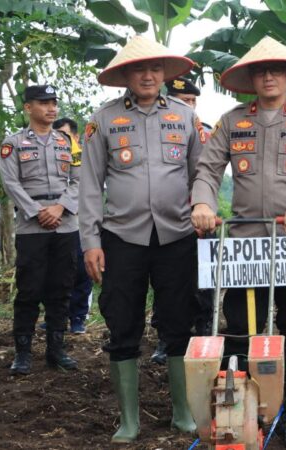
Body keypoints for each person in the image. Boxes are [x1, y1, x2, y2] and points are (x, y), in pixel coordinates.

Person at [190, 36, 286, 449]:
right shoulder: (232, 121)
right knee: (240, 325)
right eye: (260, 70)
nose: (268, 76)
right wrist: (203, 203)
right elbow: (206, 169)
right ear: (251, 78)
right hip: (244, 241)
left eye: (276, 70)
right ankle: (241, 402)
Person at [79, 36, 205, 443]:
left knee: (178, 320)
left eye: (155, 69)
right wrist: (90, 241)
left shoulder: (185, 118)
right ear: (126, 77)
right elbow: (88, 184)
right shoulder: (104, 119)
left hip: (177, 235)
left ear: (165, 74)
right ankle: (128, 420)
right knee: (122, 321)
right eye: (139, 69)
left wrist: (203, 209)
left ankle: (182, 412)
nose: (148, 75)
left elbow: (201, 173)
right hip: (121, 237)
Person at [0, 85, 80, 375]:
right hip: (32, 227)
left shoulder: (68, 142)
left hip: (65, 224)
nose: (52, 108)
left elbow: (79, 179)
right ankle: (22, 353)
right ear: (28, 108)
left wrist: (60, 208)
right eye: (44, 103)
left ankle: (56, 350)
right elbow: (10, 183)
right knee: (29, 290)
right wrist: (37, 211)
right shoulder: (13, 143)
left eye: (54, 102)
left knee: (61, 289)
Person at [149, 76, 212, 365]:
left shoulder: (204, 133)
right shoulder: (153, 131)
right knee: (167, 284)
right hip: (167, 222)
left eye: (192, 102)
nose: (189, 107)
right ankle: (165, 339)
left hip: (201, 222)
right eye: (182, 101)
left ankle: (202, 336)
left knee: (202, 284)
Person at [51, 118, 93, 335]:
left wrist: (62, 206)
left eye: (64, 135)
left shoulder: (85, 156)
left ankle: (78, 316)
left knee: (79, 272)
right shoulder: (49, 155)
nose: (59, 138)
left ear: (75, 137)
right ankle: (55, 317)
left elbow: (85, 187)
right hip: (53, 222)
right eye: (55, 134)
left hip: (78, 221)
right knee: (54, 273)